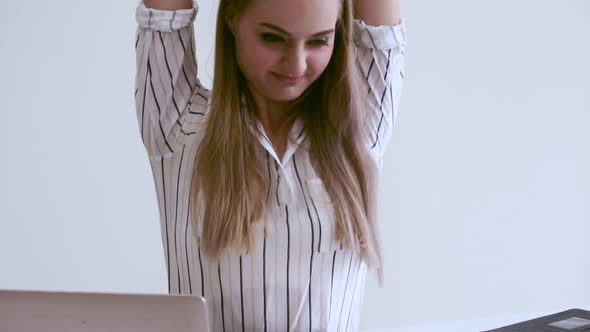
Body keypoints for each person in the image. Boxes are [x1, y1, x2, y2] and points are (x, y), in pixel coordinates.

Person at [134, 0, 406, 330]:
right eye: (273, 38)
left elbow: (382, 38)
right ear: (232, 16)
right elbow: (163, 19)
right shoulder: (178, 125)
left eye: (319, 40)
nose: (297, 63)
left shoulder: (360, 126)